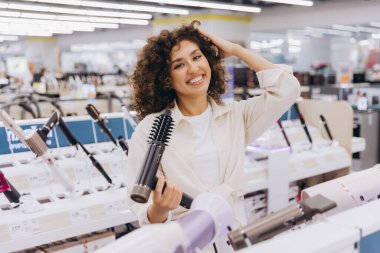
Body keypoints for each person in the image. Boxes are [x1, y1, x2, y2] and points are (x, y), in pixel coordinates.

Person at [127, 20, 300, 251]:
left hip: (233, 238)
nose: (193, 69)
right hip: (185, 242)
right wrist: (159, 208)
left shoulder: (236, 116)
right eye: (179, 65)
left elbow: (287, 89)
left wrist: (237, 51)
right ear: (165, 79)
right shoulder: (151, 129)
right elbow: (142, 210)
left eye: (197, 57)